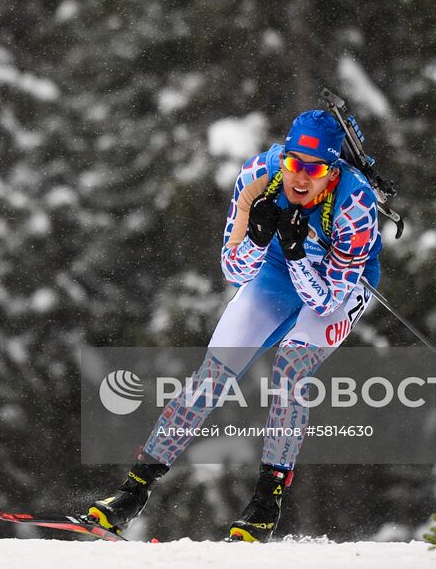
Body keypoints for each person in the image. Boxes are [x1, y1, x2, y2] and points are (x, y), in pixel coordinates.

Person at [85, 109, 384, 542]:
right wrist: (262, 240)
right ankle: (132, 492)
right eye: (294, 163)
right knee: (212, 376)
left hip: (340, 283)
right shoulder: (261, 175)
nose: (300, 177)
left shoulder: (355, 203)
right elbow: (234, 270)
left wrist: (301, 255)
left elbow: (327, 301)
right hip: (278, 269)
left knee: (292, 370)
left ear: (332, 171)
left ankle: (265, 503)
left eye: (314, 169)